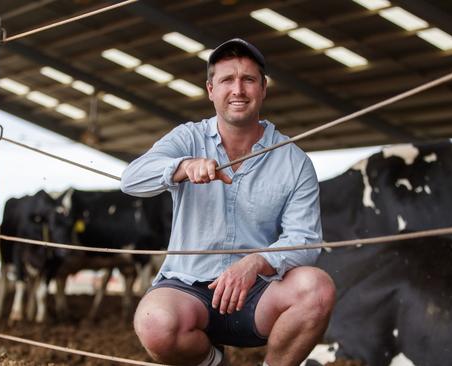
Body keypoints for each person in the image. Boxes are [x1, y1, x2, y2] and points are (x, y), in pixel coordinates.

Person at [121, 38, 336, 366]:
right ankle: (213, 362)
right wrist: (183, 166)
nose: (238, 89)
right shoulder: (188, 138)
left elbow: (305, 241)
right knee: (154, 322)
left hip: (259, 294)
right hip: (187, 286)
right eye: (226, 80)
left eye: (248, 80)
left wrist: (254, 263)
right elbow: (131, 179)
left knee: (317, 288)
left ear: (263, 89)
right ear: (210, 89)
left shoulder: (294, 161)